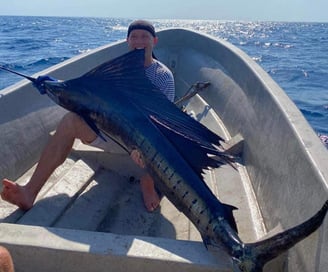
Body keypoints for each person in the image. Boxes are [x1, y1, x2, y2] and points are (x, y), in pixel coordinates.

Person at [1, 20, 175, 212]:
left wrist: (141, 148)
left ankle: (148, 182)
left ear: (155, 41)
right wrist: (56, 86)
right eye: (134, 36)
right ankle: (29, 192)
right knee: (70, 121)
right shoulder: (116, 70)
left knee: (172, 140)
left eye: (145, 37)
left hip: (146, 145)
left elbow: (163, 126)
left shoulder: (163, 76)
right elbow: (87, 92)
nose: (139, 41)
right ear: (127, 41)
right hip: (115, 134)